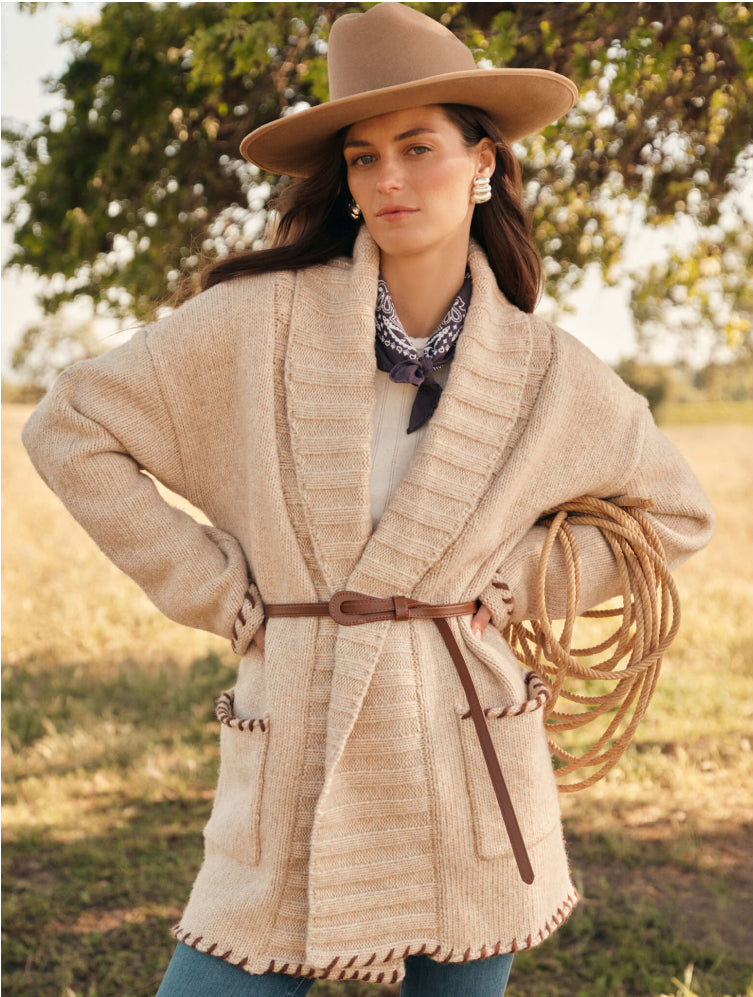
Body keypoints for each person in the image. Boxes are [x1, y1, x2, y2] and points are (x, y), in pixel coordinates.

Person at [22, 5, 714, 996]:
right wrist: (206, 583)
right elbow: (68, 422)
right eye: (363, 156)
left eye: (419, 148)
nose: (389, 179)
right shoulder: (254, 324)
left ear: (485, 164)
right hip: (298, 743)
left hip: (466, 757)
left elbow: (678, 513)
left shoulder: (551, 373)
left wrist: (518, 584)